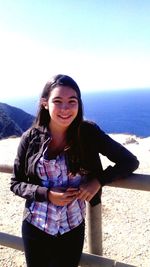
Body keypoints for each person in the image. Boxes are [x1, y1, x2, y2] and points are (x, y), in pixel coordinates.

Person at [10, 74, 139, 267]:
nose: (65, 108)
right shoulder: (31, 138)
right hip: (35, 226)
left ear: (79, 104)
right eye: (57, 101)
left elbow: (129, 161)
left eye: (72, 101)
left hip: (72, 228)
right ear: (45, 103)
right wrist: (47, 194)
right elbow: (16, 183)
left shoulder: (88, 133)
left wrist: (98, 181)